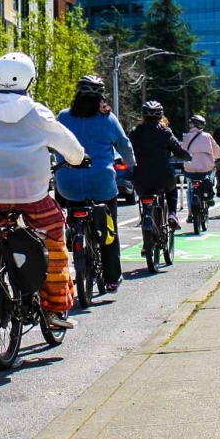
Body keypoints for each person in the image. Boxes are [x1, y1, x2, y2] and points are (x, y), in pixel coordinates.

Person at [0, 52, 89, 330]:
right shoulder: (37, 112)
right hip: (32, 196)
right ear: (29, 79)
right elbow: (67, 144)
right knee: (54, 235)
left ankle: (2, 273)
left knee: (2, 233)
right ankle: (54, 306)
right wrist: (78, 158)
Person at [56, 75, 135, 293]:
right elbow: (124, 145)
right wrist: (131, 165)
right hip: (101, 183)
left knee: (68, 200)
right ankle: (112, 278)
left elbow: (52, 144)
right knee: (109, 230)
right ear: (101, 97)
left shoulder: (63, 117)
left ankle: (74, 230)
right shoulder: (107, 120)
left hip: (68, 184)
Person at [128, 100, 191, 230]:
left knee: (144, 199)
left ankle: (147, 241)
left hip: (141, 178)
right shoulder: (165, 132)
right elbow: (178, 150)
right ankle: (172, 214)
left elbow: (126, 149)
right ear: (160, 116)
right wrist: (187, 156)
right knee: (172, 188)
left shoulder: (135, 132)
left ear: (143, 116)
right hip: (164, 177)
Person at [179, 114, 220, 220]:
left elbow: (182, 151)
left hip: (190, 170)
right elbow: (216, 151)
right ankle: (209, 196)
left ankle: (190, 214)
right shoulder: (207, 136)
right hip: (205, 169)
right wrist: (218, 157)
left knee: (190, 189)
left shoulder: (187, 137)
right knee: (210, 179)